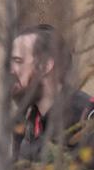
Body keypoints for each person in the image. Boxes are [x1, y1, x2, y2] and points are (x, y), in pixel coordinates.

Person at [10, 24, 92, 161]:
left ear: (45, 66)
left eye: (18, 61)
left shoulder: (85, 116)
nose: (10, 70)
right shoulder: (24, 121)